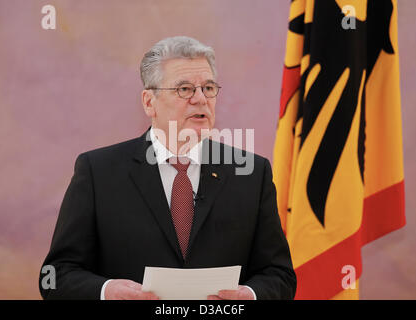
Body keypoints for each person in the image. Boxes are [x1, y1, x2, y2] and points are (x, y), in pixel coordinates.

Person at [39, 36, 296, 300]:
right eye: (184, 89)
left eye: (208, 88)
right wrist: (107, 292)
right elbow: (56, 275)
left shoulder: (251, 173)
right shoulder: (98, 172)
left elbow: (279, 275)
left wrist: (252, 296)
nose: (200, 99)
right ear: (149, 102)